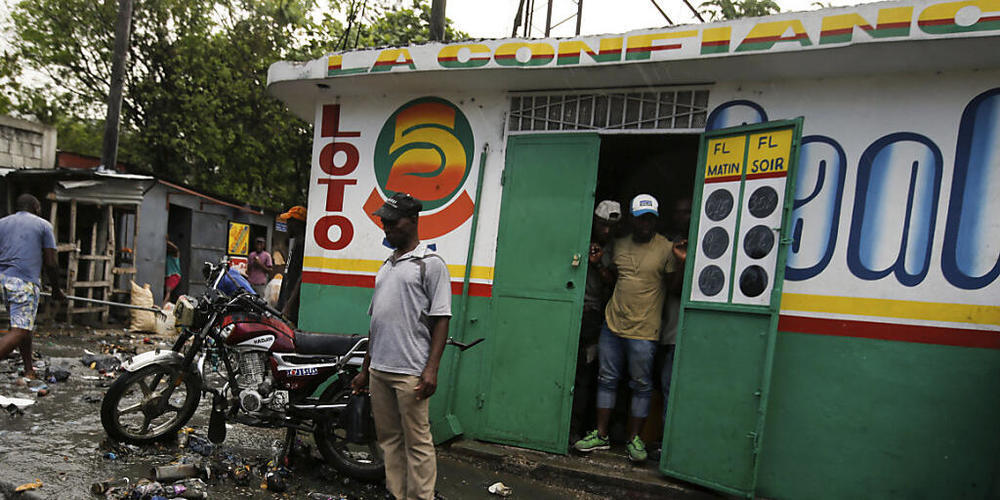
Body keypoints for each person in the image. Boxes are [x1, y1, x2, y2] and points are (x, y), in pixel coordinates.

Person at [351, 192, 451, 500]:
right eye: (384, 221)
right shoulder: (386, 266)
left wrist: (431, 369)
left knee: (418, 442)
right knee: (389, 440)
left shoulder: (430, 264)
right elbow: (376, 324)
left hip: (411, 372)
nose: (386, 227)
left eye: (392, 222)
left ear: (412, 221)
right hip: (380, 369)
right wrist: (365, 370)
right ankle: (397, 494)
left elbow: (442, 319)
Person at [574, 194, 679, 463]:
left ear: (655, 220)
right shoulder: (618, 245)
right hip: (612, 324)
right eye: (641, 218)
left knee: (641, 386)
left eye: (650, 218)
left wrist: (681, 261)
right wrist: (598, 265)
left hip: (645, 330)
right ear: (632, 219)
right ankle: (601, 434)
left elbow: (675, 288)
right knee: (606, 380)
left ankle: (634, 439)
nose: (645, 223)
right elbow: (611, 278)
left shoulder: (667, 248)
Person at [0, 194, 65, 379]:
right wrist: (56, 289)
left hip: (3, 280)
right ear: (36, 207)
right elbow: (51, 262)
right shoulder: (43, 225)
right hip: (23, 282)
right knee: (19, 331)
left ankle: (29, 370)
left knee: (22, 326)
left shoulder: (2, 223)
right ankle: (28, 369)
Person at [571, 200, 621, 439]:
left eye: (611, 226)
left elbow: (613, 283)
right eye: (602, 225)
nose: (607, 231)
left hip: (593, 318)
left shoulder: (615, 249)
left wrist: (599, 262)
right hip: (569, 312)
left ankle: (575, 430)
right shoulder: (576, 235)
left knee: (585, 374)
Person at [276, 206, 306, 322]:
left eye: (290, 222)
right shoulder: (295, 245)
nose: (287, 226)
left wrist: (288, 305)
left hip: (292, 309)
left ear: (297, 224)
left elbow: (301, 278)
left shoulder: (302, 246)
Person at [164, 239, 181, 306]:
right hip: (169, 275)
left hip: (174, 275)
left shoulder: (175, 255)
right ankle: (166, 305)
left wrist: (167, 242)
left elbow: (176, 248)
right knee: (168, 292)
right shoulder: (168, 256)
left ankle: (163, 305)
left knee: (168, 292)